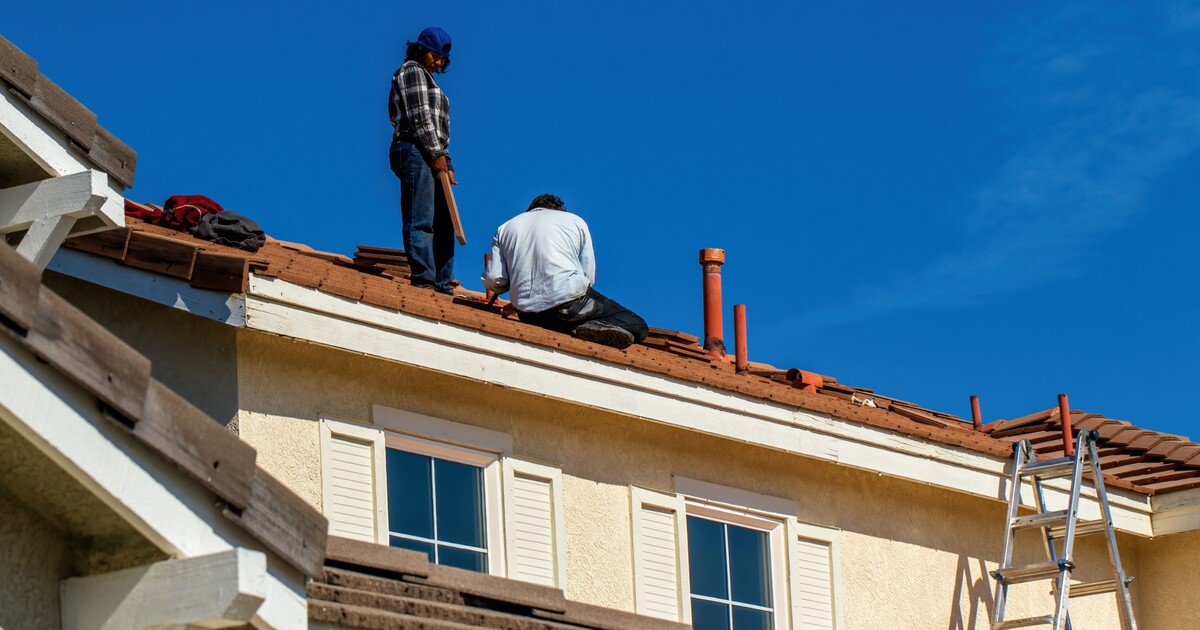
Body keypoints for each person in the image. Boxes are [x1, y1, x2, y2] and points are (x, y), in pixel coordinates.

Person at [482, 194, 649, 350]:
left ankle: (577, 326)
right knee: (637, 325)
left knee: (555, 319)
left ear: (530, 210)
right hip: (569, 304)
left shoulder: (505, 228)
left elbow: (494, 280)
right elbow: (587, 276)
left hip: (527, 314)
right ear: (559, 211)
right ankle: (585, 327)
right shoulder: (574, 221)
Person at [389, 27, 457, 294]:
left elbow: (440, 129)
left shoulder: (432, 81)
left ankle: (443, 282)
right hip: (415, 147)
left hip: (431, 151)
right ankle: (424, 279)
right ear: (422, 50)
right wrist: (437, 154)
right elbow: (420, 117)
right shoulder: (412, 71)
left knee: (445, 220)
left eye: (443, 59)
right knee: (422, 217)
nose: (439, 62)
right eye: (436, 56)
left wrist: (446, 162)